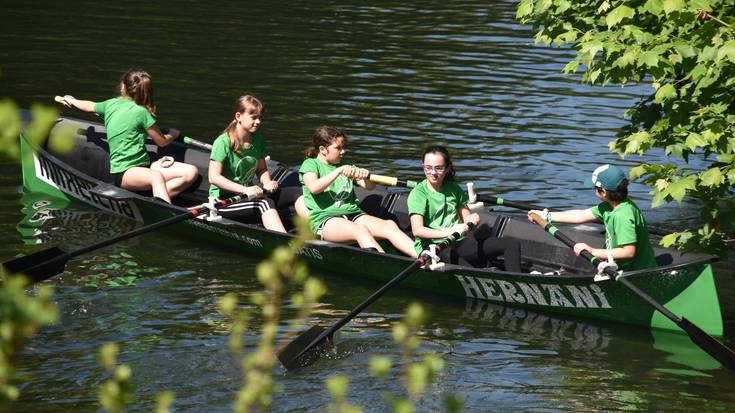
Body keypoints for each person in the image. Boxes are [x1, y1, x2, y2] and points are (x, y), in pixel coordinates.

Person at [58, 69, 198, 203]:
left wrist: (72, 101)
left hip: (145, 166)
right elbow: (161, 142)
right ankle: (165, 208)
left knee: (190, 172)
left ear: (123, 86)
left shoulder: (111, 104)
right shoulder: (141, 112)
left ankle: (156, 200)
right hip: (125, 172)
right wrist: (173, 134)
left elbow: (89, 105)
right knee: (156, 177)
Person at [299, 126, 416, 256]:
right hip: (326, 220)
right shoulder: (311, 164)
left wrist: (365, 175)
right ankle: (385, 264)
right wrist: (338, 171)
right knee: (360, 230)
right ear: (322, 149)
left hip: (353, 215)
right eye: (338, 148)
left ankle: (426, 261)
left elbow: (368, 186)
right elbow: (314, 188)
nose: (343, 152)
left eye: (344, 147)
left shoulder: (346, 164)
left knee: (389, 225)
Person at [408, 145, 522, 271]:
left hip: (458, 242)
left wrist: (472, 219)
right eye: (428, 168)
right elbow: (417, 230)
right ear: (423, 166)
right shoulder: (418, 194)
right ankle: (482, 276)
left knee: (511, 244)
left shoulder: (454, 189)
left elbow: (466, 216)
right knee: (456, 260)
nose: (433, 173)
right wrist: (449, 232)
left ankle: (521, 283)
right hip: (433, 248)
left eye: (439, 168)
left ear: (447, 168)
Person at [527, 164, 657, 271]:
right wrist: (547, 216)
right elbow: (581, 215)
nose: (594, 191)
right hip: (621, 267)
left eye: (595, 188)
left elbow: (628, 252)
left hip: (637, 273)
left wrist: (592, 251)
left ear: (604, 192)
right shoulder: (612, 205)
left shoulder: (622, 216)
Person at [207, 95, 286, 233]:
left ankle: (318, 233)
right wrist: (245, 189)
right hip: (224, 200)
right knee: (264, 203)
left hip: (248, 195)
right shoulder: (222, 142)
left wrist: (267, 182)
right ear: (238, 116)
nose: (258, 122)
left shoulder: (258, 139)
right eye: (253, 117)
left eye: (260, 117)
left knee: (295, 193)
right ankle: (286, 245)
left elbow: (261, 169)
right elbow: (213, 177)